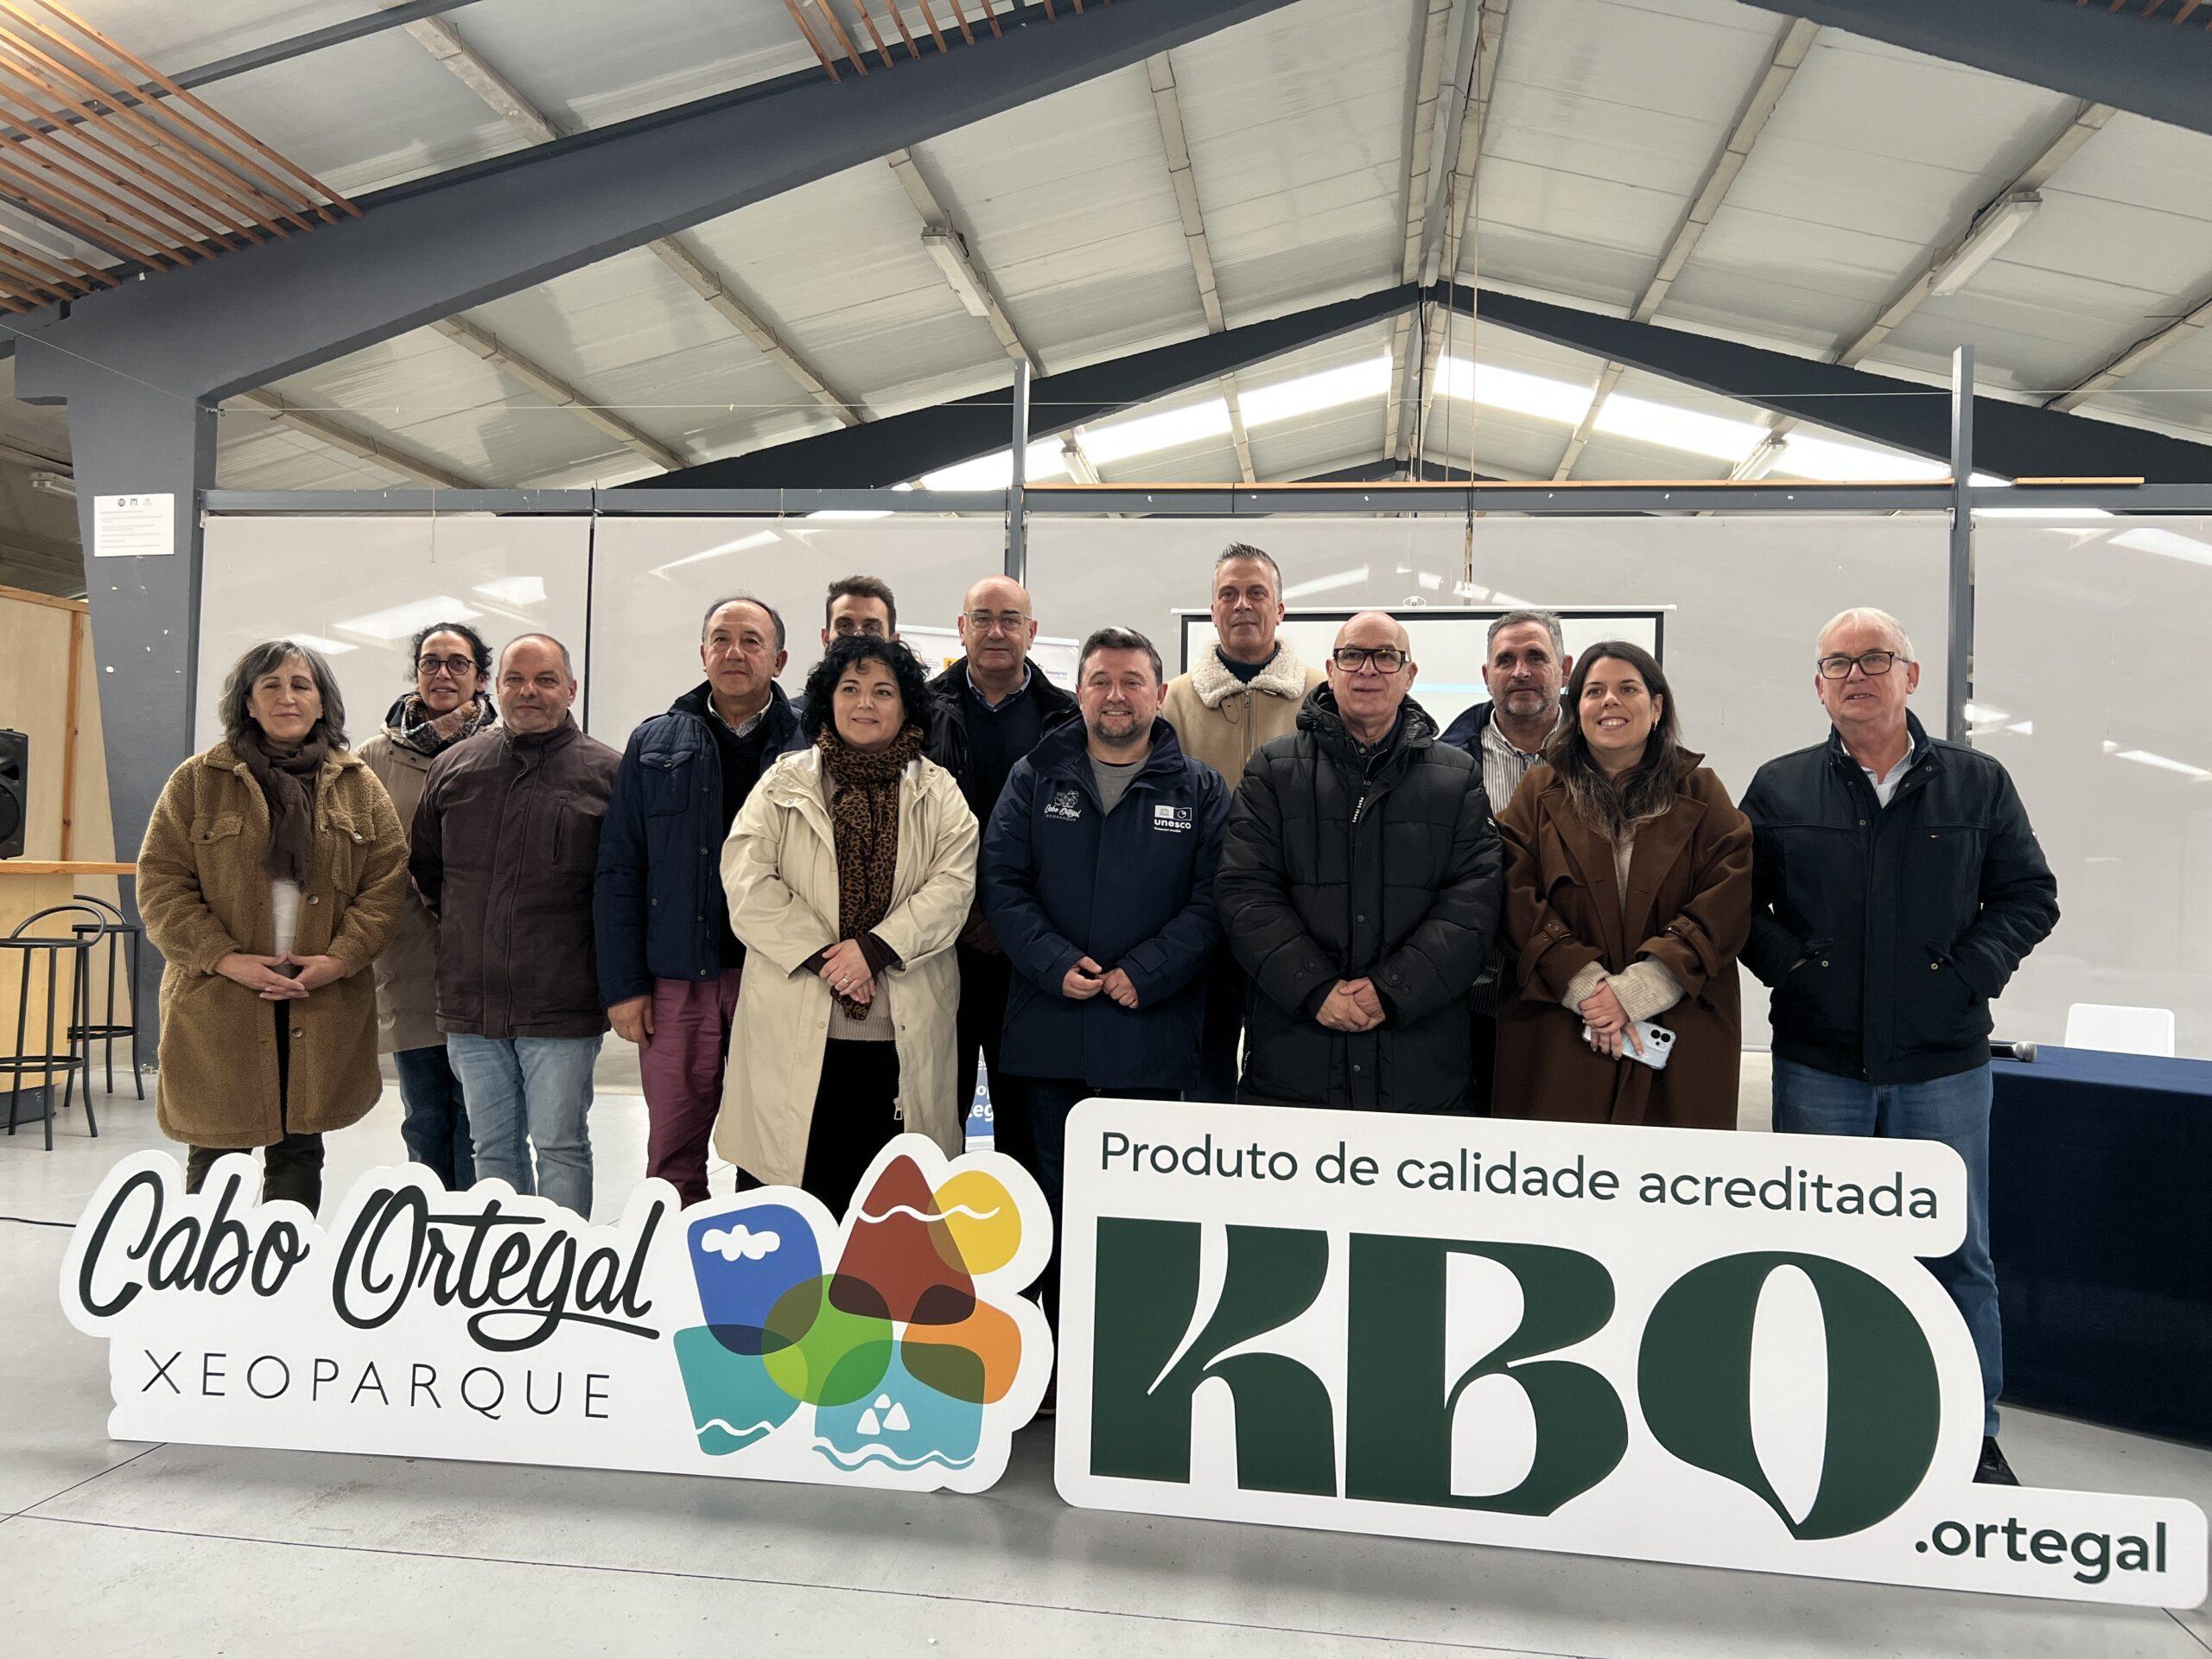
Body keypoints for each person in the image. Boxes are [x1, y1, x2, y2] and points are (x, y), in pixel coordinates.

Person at [1741, 607, 2058, 1486]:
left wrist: (1966, 975)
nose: (1855, 675)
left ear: (1910, 677)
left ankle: (1971, 1434)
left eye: (1873, 659)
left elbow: (2028, 895)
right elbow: (1739, 906)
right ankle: (1824, 1424)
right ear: (1817, 686)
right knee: (1822, 1248)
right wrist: (1798, 971)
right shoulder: (1779, 787)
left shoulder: (1977, 784)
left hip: (1943, 1065)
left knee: (1957, 1251)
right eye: (1837, 664)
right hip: (1819, 1063)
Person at [981, 626, 1227, 1303]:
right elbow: (1001, 883)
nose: (1116, 695)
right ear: (1080, 692)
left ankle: (1132, 1352)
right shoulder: (1034, 777)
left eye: (1132, 682)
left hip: (1153, 1040)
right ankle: (1057, 1349)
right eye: (1101, 682)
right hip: (1051, 1037)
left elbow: (1216, 899)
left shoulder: (1201, 790)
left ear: (1160, 693)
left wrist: (1147, 972)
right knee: (1052, 1211)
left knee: (1143, 1220)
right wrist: (1053, 961)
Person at [137, 640, 408, 1211]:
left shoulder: (359, 786)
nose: (288, 697)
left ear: (321, 702)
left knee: (300, 1149)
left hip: (318, 996)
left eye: (302, 685)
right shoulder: (198, 782)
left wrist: (339, 959)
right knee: (218, 1149)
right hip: (221, 996)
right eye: (272, 685)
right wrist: (225, 958)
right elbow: (161, 884)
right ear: (248, 703)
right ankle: (211, 1257)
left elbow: (386, 884)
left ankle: (287, 1256)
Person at [718, 635, 977, 1213]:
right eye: (851, 689)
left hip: (897, 1038)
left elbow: (953, 888)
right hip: (795, 1031)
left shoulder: (939, 792)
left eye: (883, 691)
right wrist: (828, 959)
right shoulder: (783, 784)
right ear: (828, 701)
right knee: (790, 1212)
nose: (865, 703)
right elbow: (747, 882)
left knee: (891, 1218)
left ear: (906, 705)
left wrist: (876, 949)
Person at [1216, 611, 1501, 1113]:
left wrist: (1392, 991)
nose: (1368, 669)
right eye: (1352, 655)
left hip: (1421, 1070)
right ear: (1331, 670)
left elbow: (1474, 906)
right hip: (1295, 1061)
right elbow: (1245, 893)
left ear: (1410, 675)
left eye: (1386, 656)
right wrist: (1316, 989)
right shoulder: (1273, 770)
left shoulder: (1457, 778)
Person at [1492, 641, 1751, 1128]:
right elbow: (1512, 895)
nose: (1610, 700)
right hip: (1561, 1027)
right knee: (1560, 1168)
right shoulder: (1537, 794)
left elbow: (1728, 898)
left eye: (1628, 688)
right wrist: (1589, 989)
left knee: (1672, 1171)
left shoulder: (1704, 793)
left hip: (1679, 1027)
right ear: (1576, 712)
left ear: (1657, 707)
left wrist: (1642, 989)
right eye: (1594, 691)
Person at [595, 596, 800, 1206]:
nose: (735, 652)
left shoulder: (811, 742)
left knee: (774, 1144)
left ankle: (765, 1256)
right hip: (677, 981)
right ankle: (674, 1256)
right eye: (721, 639)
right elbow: (620, 869)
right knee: (673, 1149)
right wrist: (624, 987)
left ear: (779, 659)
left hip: (777, 977)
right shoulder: (653, 742)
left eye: (752, 640)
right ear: (702, 653)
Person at [410, 633, 620, 1217]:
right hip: (472, 1004)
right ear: (495, 688)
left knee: (560, 1147)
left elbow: (621, 890)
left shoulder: (608, 774)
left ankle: (564, 1258)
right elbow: (428, 870)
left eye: (545, 680)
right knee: (492, 1149)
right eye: (515, 679)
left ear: (571, 690)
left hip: (562, 1005)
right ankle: (509, 1258)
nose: (529, 691)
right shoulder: (455, 768)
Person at [1159, 543, 1324, 1102]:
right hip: (1199, 916)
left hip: (1296, 916)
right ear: (1213, 610)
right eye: (1229, 594)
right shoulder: (1174, 702)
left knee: (1288, 1060)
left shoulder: (1321, 697)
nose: (1243, 604)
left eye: (1257, 593)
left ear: (1281, 609)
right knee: (1204, 1061)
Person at [927, 575, 1077, 1178]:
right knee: (936, 1114)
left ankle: (1028, 1240)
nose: (996, 631)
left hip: (1030, 954)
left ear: (1031, 632)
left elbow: (1074, 842)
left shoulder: (1067, 719)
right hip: (939, 946)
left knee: (1029, 1122)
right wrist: (963, 914)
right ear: (961, 629)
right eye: (982, 618)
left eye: (1010, 619)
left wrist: (1013, 923)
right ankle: (932, 1234)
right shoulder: (918, 711)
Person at [357, 620, 495, 1191]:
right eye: (431, 662)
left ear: (480, 677)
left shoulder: (505, 749)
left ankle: (477, 1229)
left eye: (458, 663)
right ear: (416, 674)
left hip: (485, 962)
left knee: (481, 1119)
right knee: (426, 1117)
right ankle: (432, 1226)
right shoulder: (373, 758)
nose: (443, 673)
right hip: (407, 960)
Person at [1441, 609, 1574, 1110]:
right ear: (1486, 675)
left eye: (1536, 657)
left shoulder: (1606, 758)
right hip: (1471, 1002)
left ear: (1564, 669)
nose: (1520, 671)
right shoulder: (1444, 766)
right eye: (1505, 660)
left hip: (1576, 1001)